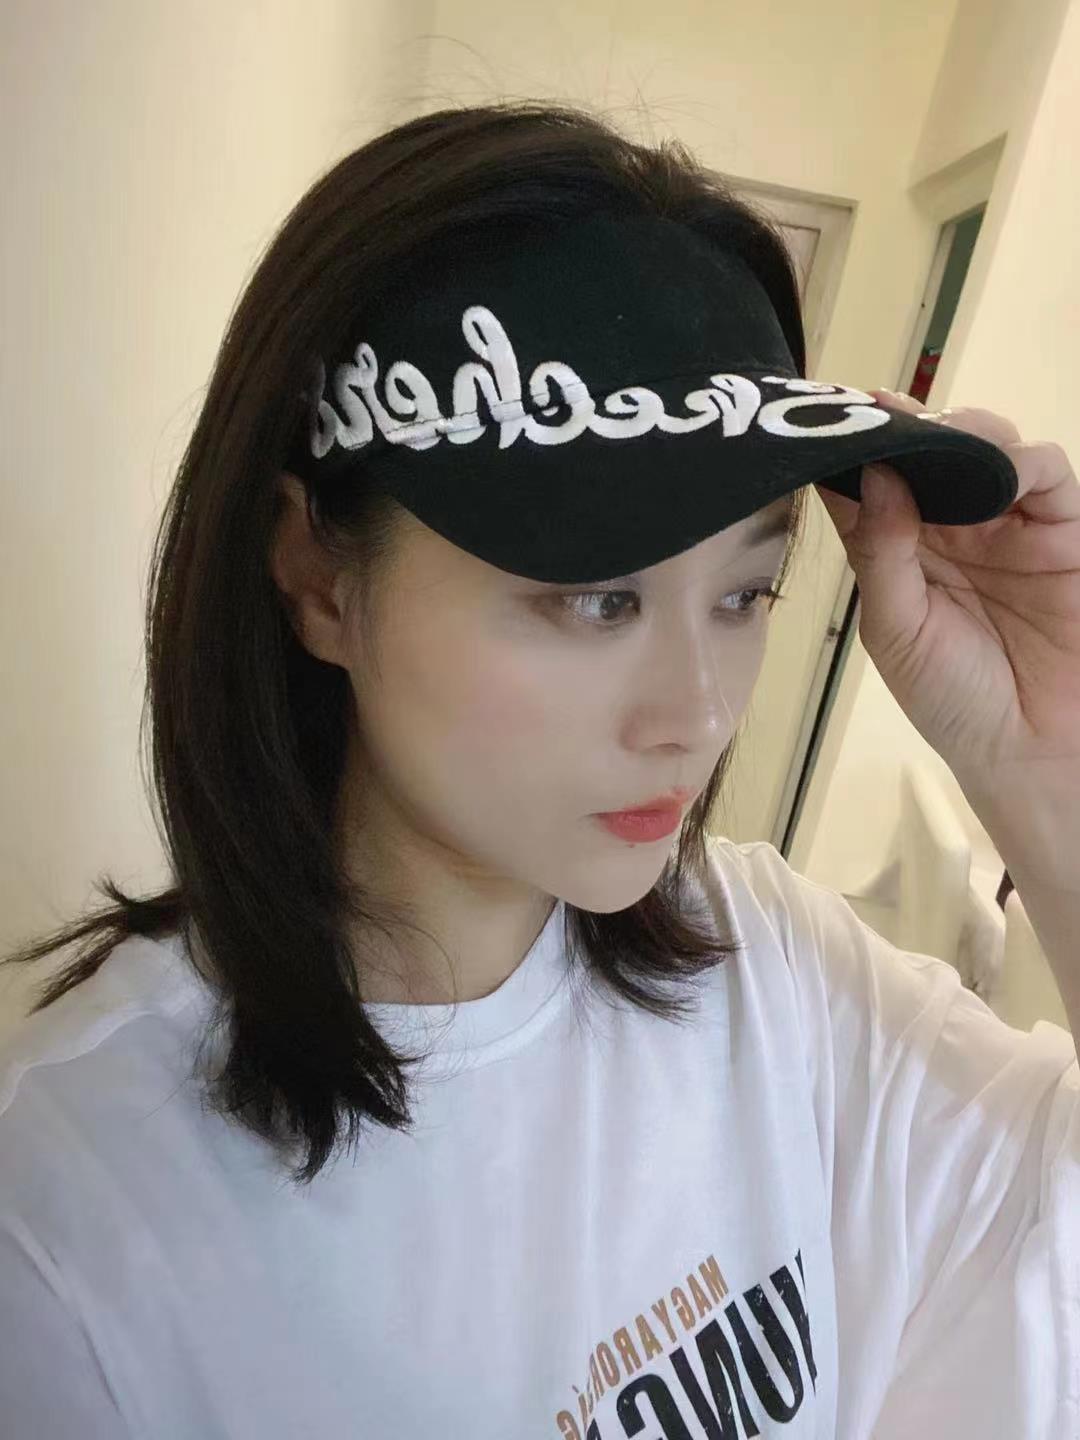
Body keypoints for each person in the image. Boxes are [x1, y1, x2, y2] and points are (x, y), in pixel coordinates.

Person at [0, 99, 1077, 1440]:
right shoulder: (67, 1221)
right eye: (597, 598)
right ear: (319, 578)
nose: (697, 714)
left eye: (745, 592)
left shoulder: (770, 960)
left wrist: (1045, 769)